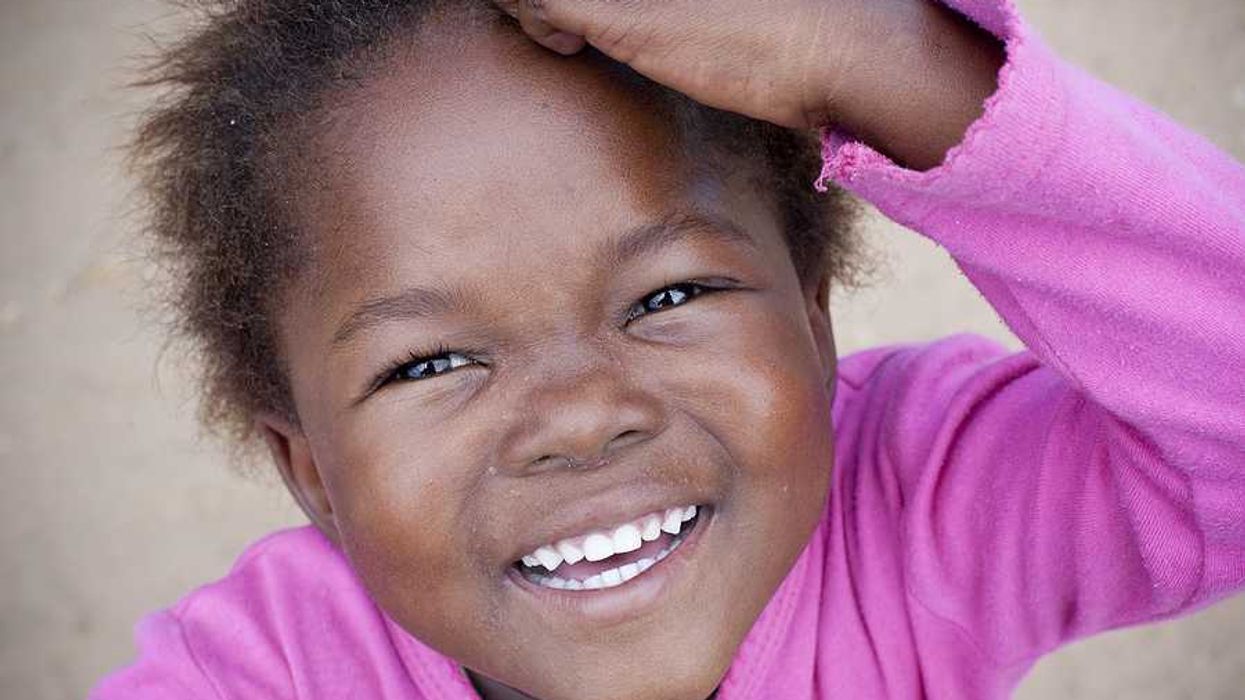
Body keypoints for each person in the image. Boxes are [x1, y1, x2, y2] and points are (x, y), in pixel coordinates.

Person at [92, 0, 1245, 698]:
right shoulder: (264, 672)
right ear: (310, 471)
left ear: (814, 315)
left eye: (671, 294)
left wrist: (875, 54)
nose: (581, 415)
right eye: (430, 362)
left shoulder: (924, 509)